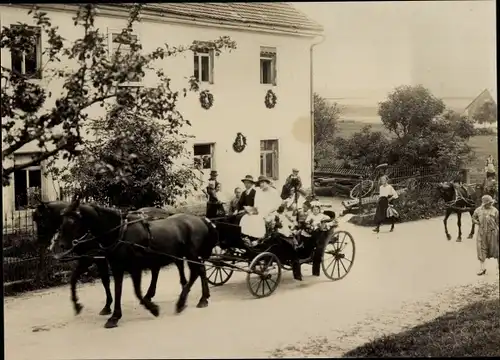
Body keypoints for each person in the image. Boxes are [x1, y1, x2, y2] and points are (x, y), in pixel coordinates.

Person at [240, 175, 281, 240]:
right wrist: (252, 210)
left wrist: (268, 211)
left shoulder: (274, 192)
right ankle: (248, 236)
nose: (261, 184)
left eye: (263, 183)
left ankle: (258, 237)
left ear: (267, 183)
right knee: (246, 217)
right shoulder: (259, 192)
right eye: (260, 183)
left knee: (258, 219)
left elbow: (277, 205)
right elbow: (256, 205)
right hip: (259, 211)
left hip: (270, 211)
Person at [471, 195, 499, 276]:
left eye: (491, 203)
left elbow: (498, 221)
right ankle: (482, 268)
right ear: (484, 203)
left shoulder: (495, 210)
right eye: (488, 203)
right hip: (482, 233)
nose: (490, 204)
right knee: (481, 250)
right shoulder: (478, 210)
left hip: (493, 233)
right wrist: (477, 222)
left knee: (496, 249)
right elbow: (473, 218)